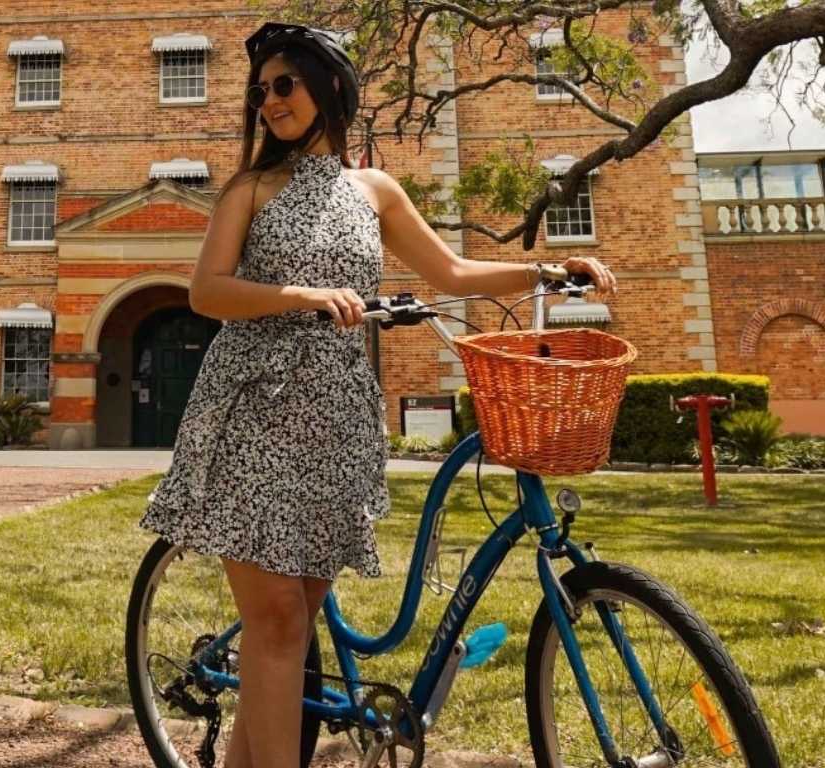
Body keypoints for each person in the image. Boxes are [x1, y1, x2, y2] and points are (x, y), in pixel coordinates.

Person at [138, 21, 616, 768]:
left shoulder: (375, 189)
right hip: (253, 404)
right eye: (260, 90)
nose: (269, 101)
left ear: (331, 87)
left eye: (284, 84)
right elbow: (207, 292)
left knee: (289, 626)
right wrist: (301, 293)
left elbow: (450, 272)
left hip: (335, 416)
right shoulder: (251, 187)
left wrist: (547, 272)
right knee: (277, 627)